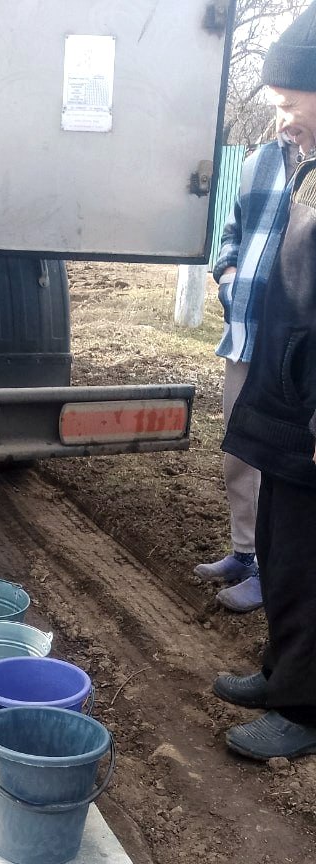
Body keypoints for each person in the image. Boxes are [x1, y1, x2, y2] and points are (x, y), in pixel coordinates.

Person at [212, 2, 316, 760]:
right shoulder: (306, 166)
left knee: (311, 560)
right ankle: (283, 673)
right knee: (282, 548)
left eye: (288, 104)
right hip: (286, 388)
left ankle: (305, 710)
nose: (280, 120)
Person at [194, 132, 298, 613]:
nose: (283, 116)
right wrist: (228, 273)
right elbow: (233, 231)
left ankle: (271, 572)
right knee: (240, 453)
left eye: (290, 100)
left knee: (282, 466)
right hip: (245, 334)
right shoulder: (260, 160)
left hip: (296, 349)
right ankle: (244, 553)